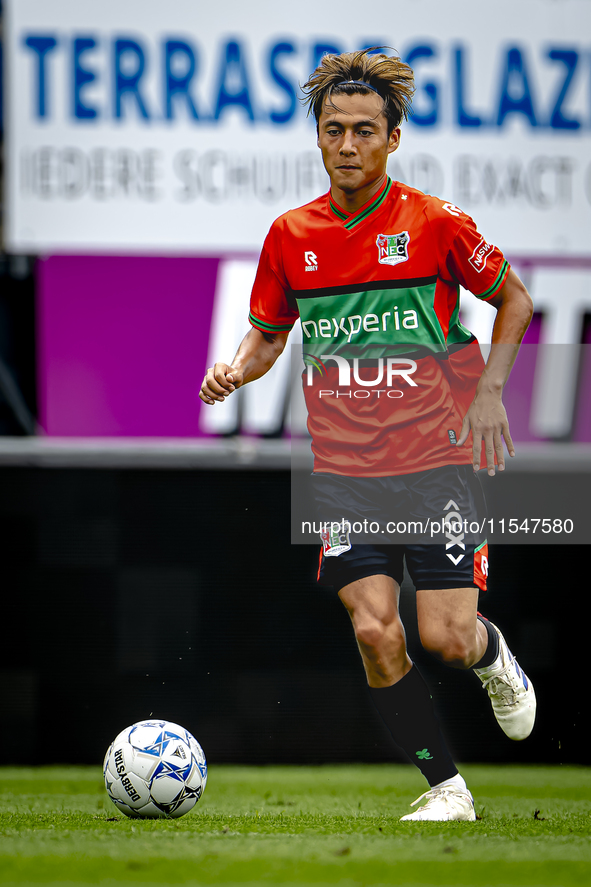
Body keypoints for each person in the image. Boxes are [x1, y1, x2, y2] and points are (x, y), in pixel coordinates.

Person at [200, 49, 536, 822]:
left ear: (391, 140)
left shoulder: (435, 222)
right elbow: (268, 337)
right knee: (374, 628)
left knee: (446, 638)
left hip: (437, 460)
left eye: (362, 131)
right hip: (346, 473)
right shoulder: (289, 236)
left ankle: (494, 659)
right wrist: (234, 371)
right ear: (317, 139)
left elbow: (513, 300)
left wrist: (489, 394)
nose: (346, 144)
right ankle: (445, 788)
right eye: (332, 130)